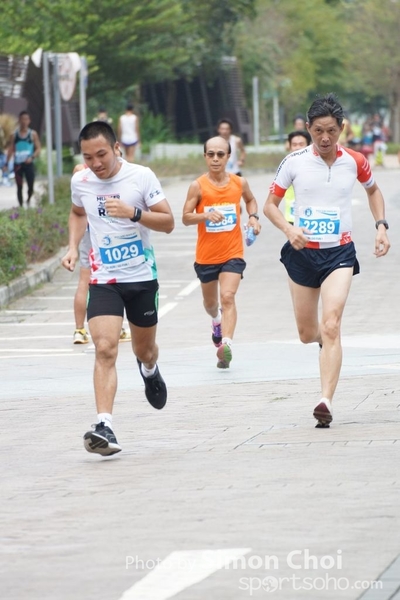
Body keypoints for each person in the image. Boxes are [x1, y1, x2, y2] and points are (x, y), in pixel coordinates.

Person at [264, 93, 390, 428]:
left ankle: (325, 400)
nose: (324, 138)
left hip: (339, 253)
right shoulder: (294, 162)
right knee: (308, 333)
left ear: (341, 129)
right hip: (302, 253)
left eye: (331, 131)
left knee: (332, 323)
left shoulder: (355, 160)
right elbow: (270, 206)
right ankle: (324, 343)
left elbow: (373, 191)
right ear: (308, 128)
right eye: (318, 130)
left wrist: (381, 226)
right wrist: (289, 229)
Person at [62, 121, 174, 456]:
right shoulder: (81, 181)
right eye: (87, 157)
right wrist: (72, 247)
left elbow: (168, 222)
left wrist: (133, 213)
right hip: (104, 279)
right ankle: (104, 425)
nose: (95, 163)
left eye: (101, 154)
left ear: (116, 148)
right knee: (105, 348)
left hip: (141, 278)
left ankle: (149, 369)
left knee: (144, 349)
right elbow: (77, 213)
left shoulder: (141, 177)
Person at [182, 135, 261, 369]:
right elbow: (185, 217)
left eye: (220, 154)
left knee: (228, 297)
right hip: (206, 256)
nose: (215, 159)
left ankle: (225, 346)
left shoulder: (239, 182)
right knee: (210, 303)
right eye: (211, 155)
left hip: (232, 253)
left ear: (228, 157)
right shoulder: (197, 186)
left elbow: (251, 200)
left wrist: (253, 217)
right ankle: (216, 321)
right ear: (205, 157)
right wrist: (205, 215)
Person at [72, 163, 131, 345]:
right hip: (100, 235)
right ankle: (113, 328)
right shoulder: (88, 171)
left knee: (87, 280)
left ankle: (80, 330)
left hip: (96, 235)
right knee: (112, 281)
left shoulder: (80, 172)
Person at [6, 111, 41, 207]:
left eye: (26, 119)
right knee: (19, 185)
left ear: (29, 121)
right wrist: (6, 163)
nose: (24, 121)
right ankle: (21, 205)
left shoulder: (32, 134)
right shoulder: (14, 135)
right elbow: (10, 149)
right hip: (18, 164)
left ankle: (28, 199)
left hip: (29, 163)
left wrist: (32, 157)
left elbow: (38, 148)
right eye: (22, 119)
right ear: (19, 120)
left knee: (31, 185)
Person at [283, 130, 311, 224]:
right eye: (294, 145)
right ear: (290, 147)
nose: (298, 148)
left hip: (312, 216)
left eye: (301, 144)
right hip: (292, 216)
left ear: (309, 145)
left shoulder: (317, 165)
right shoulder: (285, 166)